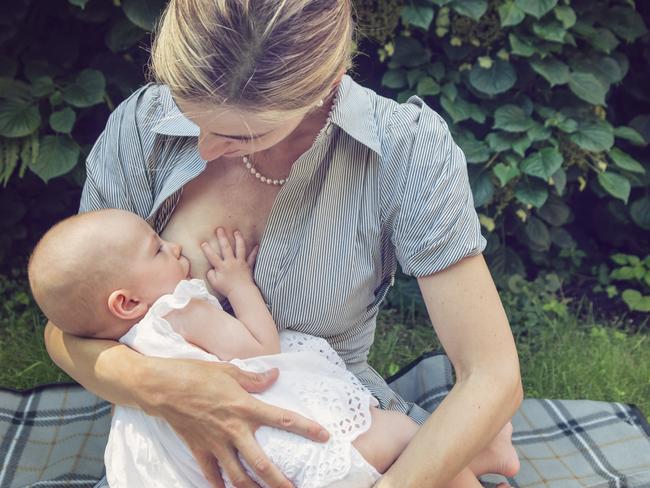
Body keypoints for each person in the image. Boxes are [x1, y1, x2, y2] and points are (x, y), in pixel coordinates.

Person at [42, 0, 523, 487]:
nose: (204, 147)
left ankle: (468, 447)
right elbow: (69, 327)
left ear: (327, 81)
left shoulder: (403, 149)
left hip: (326, 418)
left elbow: (492, 376)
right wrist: (159, 386)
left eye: (241, 135)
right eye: (191, 116)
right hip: (178, 446)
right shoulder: (144, 124)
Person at [30, 209, 518, 487]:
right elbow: (260, 346)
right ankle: (481, 453)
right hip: (272, 442)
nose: (175, 249)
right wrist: (239, 285)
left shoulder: (113, 339)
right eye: (158, 249)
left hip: (201, 469)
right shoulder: (177, 310)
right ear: (126, 300)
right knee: (398, 437)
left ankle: (483, 454)